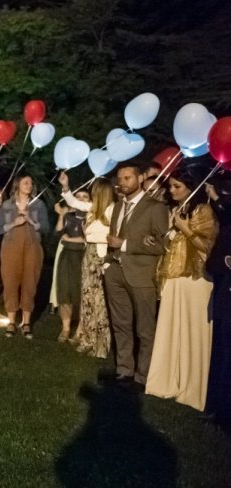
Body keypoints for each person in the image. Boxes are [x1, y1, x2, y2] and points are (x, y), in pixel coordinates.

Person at [146, 168, 217, 410]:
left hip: (195, 280)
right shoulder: (176, 210)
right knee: (170, 329)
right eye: (171, 186)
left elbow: (207, 247)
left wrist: (186, 229)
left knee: (191, 332)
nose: (171, 190)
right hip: (174, 278)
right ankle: (167, 380)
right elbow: (171, 244)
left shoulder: (203, 211)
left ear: (191, 186)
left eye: (177, 186)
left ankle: (191, 388)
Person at [102, 162, 169, 391]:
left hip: (141, 275)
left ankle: (143, 376)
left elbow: (162, 244)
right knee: (120, 323)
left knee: (144, 328)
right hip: (115, 272)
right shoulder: (119, 206)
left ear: (140, 179)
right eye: (120, 179)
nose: (122, 183)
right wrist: (109, 263)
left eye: (128, 178)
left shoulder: (155, 208)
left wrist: (126, 244)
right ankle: (124, 370)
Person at [59, 174, 115, 359]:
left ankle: (101, 346)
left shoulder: (113, 211)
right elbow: (74, 202)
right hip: (88, 255)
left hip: (101, 257)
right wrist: (66, 187)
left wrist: (89, 234)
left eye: (94, 192)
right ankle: (87, 340)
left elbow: (108, 237)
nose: (91, 195)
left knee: (99, 302)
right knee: (88, 300)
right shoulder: (92, 209)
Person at [0, 175, 49, 339]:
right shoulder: (7, 205)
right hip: (11, 247)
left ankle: (26, 322)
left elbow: (46, 228)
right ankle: (11, 321)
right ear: (17, 185)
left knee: (30, 283)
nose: (29, 185)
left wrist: (31, 220)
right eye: (25, 182)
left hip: (32, 247)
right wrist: (15, 223)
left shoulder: (38, 204)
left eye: (31, 183)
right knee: (10, 282)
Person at [205, 178, 231, 429]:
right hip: (226, 297)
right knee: (224, 355)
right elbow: (213, 264)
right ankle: (220, 409)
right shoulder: (227, 231)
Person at [53, 191, 89, 342]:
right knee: (65, 292)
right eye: (78, 196)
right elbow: (59, 232)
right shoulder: (69, 215)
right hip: (67, 256)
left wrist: (70, 240)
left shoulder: (90, 216)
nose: (80, 199)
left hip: (82, 257)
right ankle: (66, 328)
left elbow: (85, 239)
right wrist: (61, 214)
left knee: (81, 293)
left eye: (85, 197)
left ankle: (80, 329)